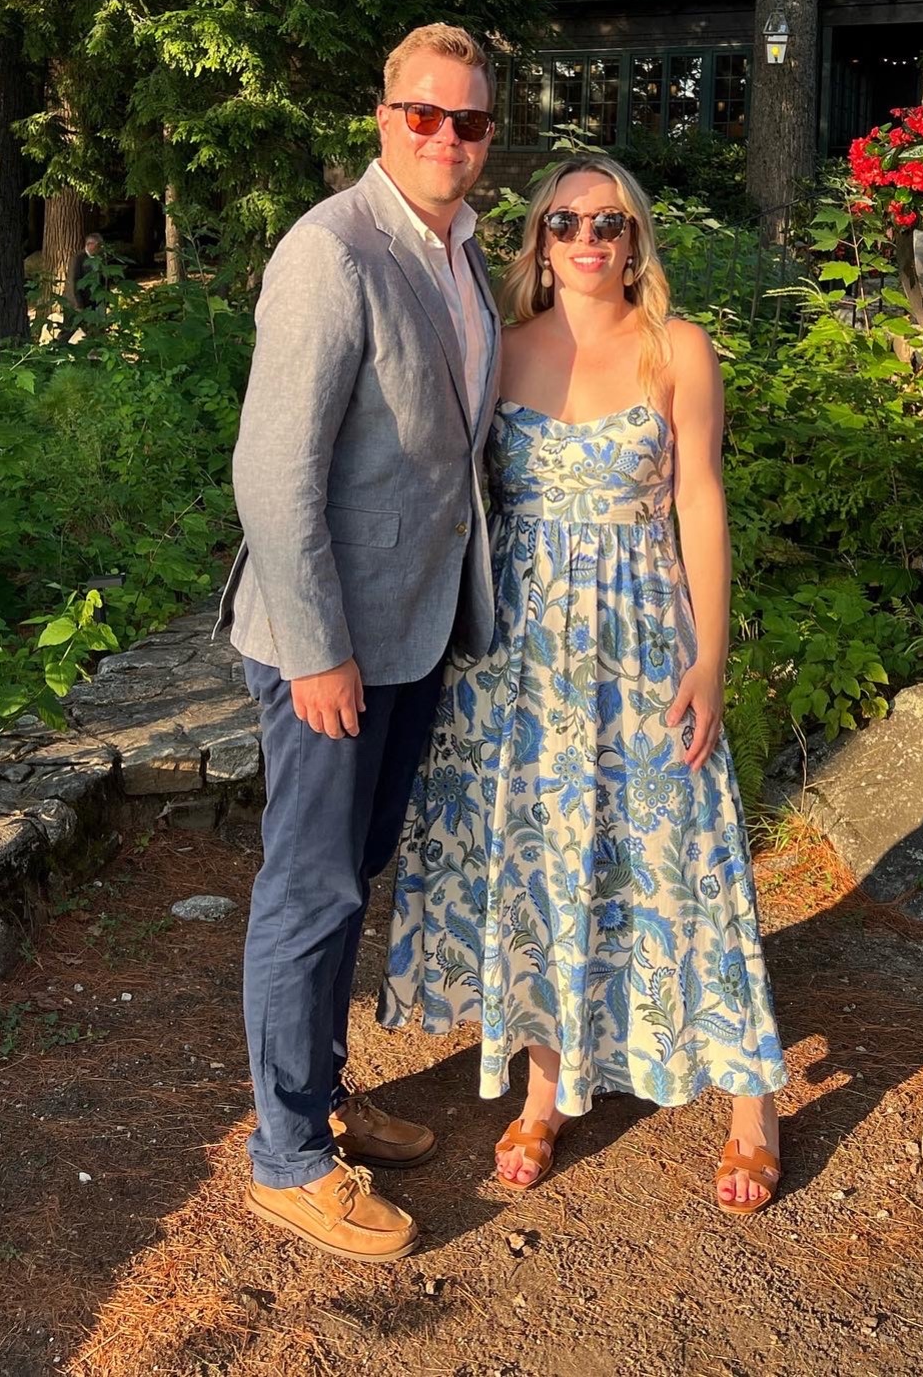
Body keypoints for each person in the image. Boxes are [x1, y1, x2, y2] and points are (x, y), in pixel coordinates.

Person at [381, 154, 787, 1214]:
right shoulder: (499, 349)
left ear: (636, 239)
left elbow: (700, 500)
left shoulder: (676, 348)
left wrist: (709, 657)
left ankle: (751, 1103)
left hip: (642, 639)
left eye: (608, 222)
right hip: (516, 658)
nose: (587, 239)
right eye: (564, 222)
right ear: (539, 241)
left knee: (681, 848)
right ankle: (547, 1083)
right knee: (538, 857)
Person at [217, 23, 502, 1262]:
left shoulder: (462, 251)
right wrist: (316, 651)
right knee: (310, 885)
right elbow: (272, 472)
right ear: (382, 118)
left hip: (411, 629)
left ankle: (321, 1091)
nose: (444, 136)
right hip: (325, 642)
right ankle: (286, 1159)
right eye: (421, 114)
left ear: (489, 135)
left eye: (468, 120)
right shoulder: (331, 250)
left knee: (353, 871)